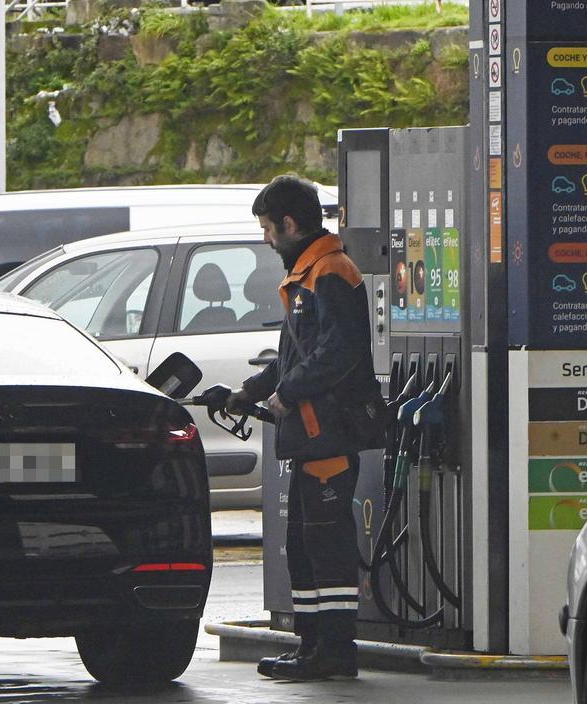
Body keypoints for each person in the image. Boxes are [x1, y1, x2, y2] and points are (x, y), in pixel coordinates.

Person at [227, 175, 374, 681]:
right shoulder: (308, 275)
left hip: (327, 435)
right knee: (307, 547)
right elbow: (296, 354)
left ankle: (334, 651)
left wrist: (287, 394)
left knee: (327, 548)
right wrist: (250, 391)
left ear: (290, 224)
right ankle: (312, 647)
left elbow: (338, 351)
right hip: (312, 439)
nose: (267, 239)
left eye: (268, 229)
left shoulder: (330, 272)